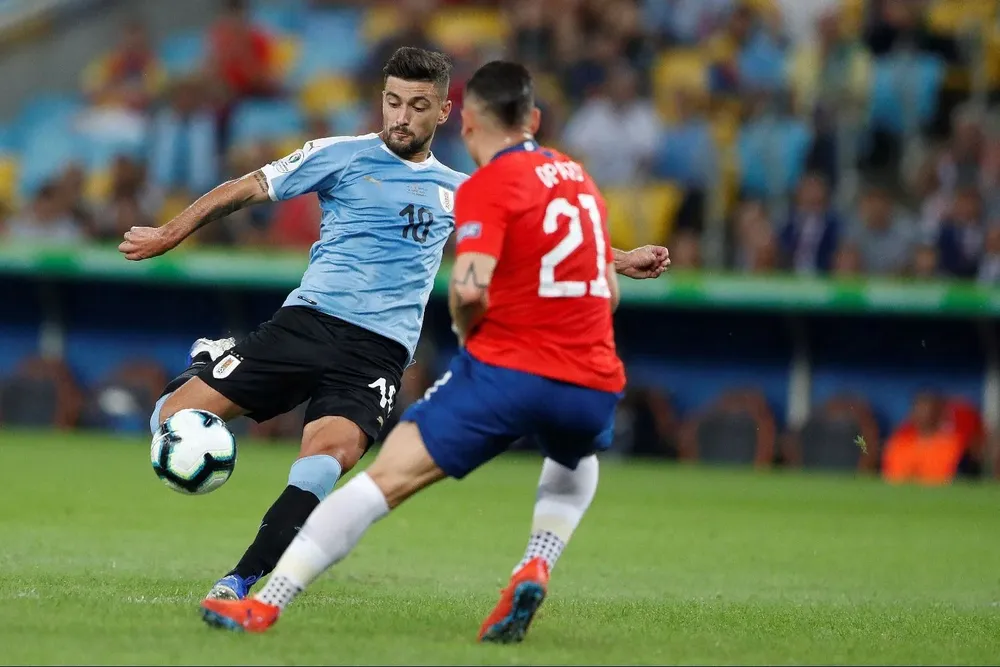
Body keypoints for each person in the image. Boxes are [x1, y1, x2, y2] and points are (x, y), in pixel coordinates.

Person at [119, 48, 669, 605]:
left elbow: (540, 239)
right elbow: (249, 187)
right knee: (171, 417)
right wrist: (170, 233)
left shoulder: (462, 189)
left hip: (377, 354)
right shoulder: (340, 155)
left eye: (417, 106)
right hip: (307, 323)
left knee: (323, 464)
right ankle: (210, 361)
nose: (401, 117)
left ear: (445, 112)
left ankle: (239, 581)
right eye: (393, 102)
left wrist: (621, 261)